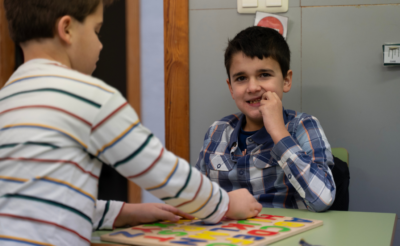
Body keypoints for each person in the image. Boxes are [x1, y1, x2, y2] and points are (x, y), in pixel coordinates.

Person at [0, 1, 262, 245]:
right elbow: (160, 171)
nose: (100, 44)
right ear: (67, 29)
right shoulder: (91, 97)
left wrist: (124, 212)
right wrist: (224, 203)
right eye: (96, 30)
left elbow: (42, 203)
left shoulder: (7, 99)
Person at [195, 26, 336, 213]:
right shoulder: (217, 131)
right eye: (241, 78)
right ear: (231, 88)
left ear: (286, 80)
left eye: (264, 75)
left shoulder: (303, 126)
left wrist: (279, 132)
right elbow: (195, 196)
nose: (252, 87)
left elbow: (323, 198)